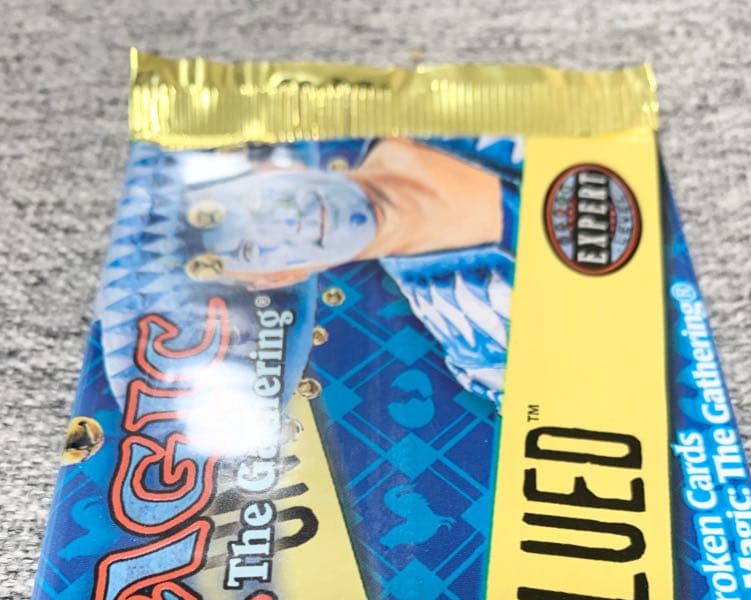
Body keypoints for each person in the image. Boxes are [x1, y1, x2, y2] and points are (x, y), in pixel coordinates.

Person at [183, 137, 523, 407]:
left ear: (274, 166)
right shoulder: (482, 346)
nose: (287, 222)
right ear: (281, 278)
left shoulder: (438, 98)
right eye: (251, 249)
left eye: (256, 203)